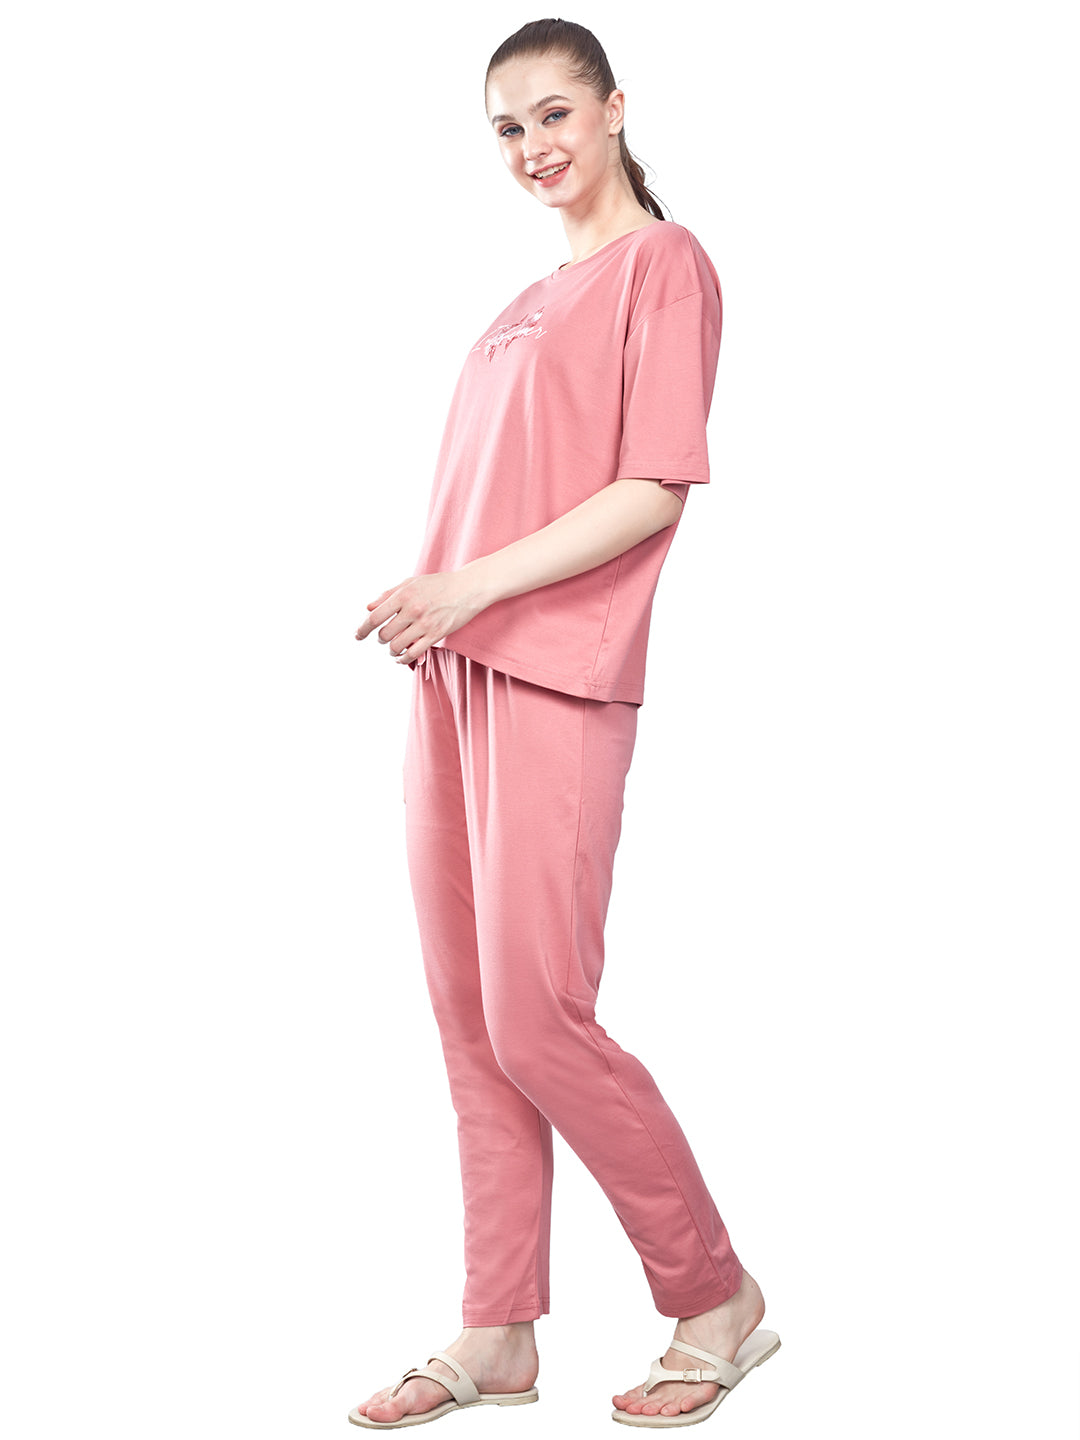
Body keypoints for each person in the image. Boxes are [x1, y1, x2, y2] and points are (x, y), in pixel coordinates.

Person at [350, 17, 780, 1431]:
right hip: (453, 675)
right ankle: (498, 1329)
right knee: (473, 1022)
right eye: (507, 128)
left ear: (614, 109)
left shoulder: (666, 264)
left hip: (554, 674)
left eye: (553, 114)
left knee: (540, 1017)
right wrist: (435, 602)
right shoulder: (520, 303)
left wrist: (468, 586)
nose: (533, 146)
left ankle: (713, 1294)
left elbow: (654, 487)